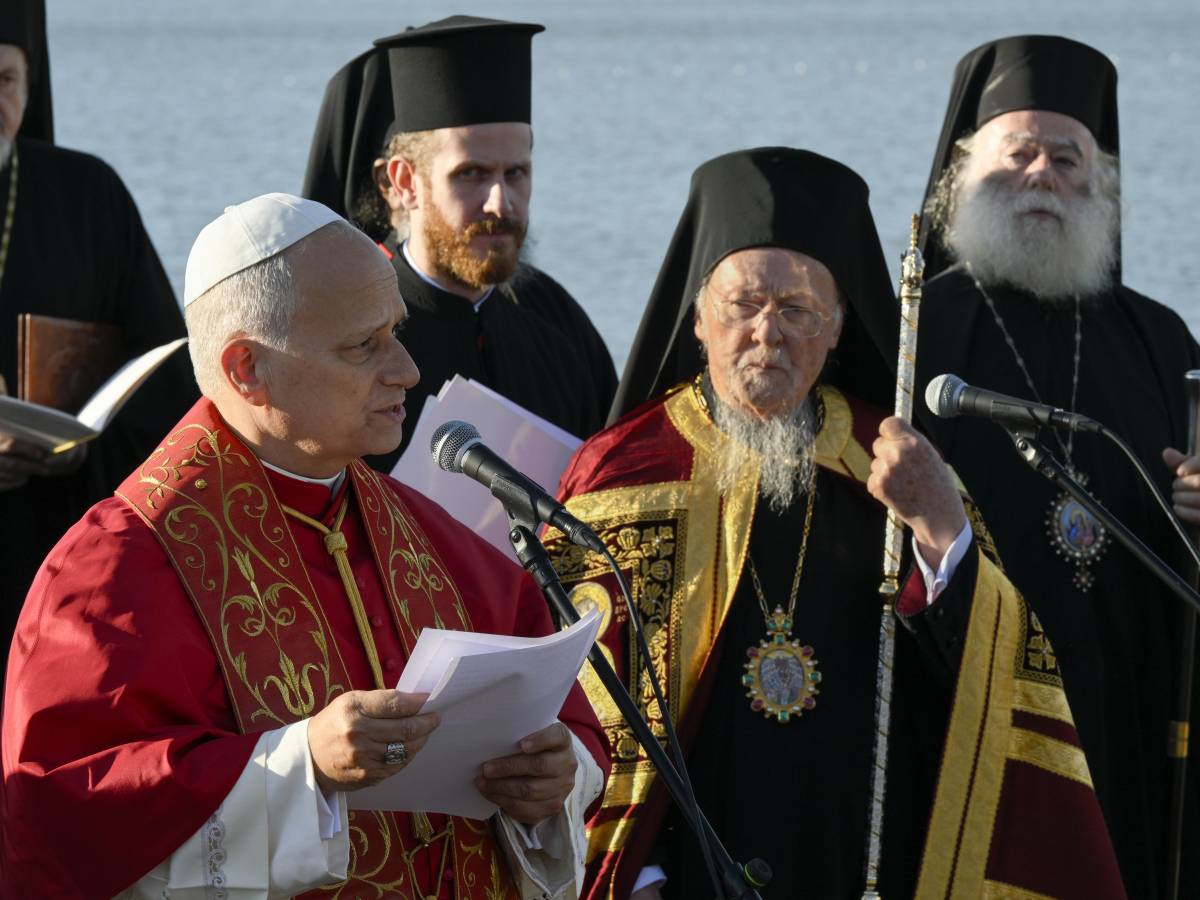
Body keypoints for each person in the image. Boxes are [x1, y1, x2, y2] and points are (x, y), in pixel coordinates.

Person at [546, 148, 1123, 898]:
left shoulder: (893, 461)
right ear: (698, 320)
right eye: (743, 305)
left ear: (838, 327)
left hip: (862, 860)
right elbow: (570, 698)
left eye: (797, 310)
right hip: (683, 872)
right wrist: (637, 873)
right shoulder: (622, 471)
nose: (767, 333)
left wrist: (941, 531)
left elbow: (986, 671)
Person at [1, 193, 608, 899]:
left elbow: (566, 723)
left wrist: (552, 778)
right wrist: (302, 764)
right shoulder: (117, 573)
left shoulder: (437, 539)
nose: (407, 370)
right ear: (247, 370)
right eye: (363, 346)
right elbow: (63, 819)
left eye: (396, 331)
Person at [914, 35, 1200, 897]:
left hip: (1124, 697)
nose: (1041, 174)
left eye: (1066, 158)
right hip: (960, 693)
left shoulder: (1161, 341)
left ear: (1099, 186)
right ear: (964, 174)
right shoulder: (910, 332)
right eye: (1018, 153)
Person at [302, 16, 617, 469]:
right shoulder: (351, 335)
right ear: (404, 182)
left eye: (516, 173)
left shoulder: (558, 321)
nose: (500, 203)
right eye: (471, 174)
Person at [0, 0, 195, 623]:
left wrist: (82, 446)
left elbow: (165, 385)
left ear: (30, 86)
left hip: (57, 553)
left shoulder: (89, 198)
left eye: (6, 80)